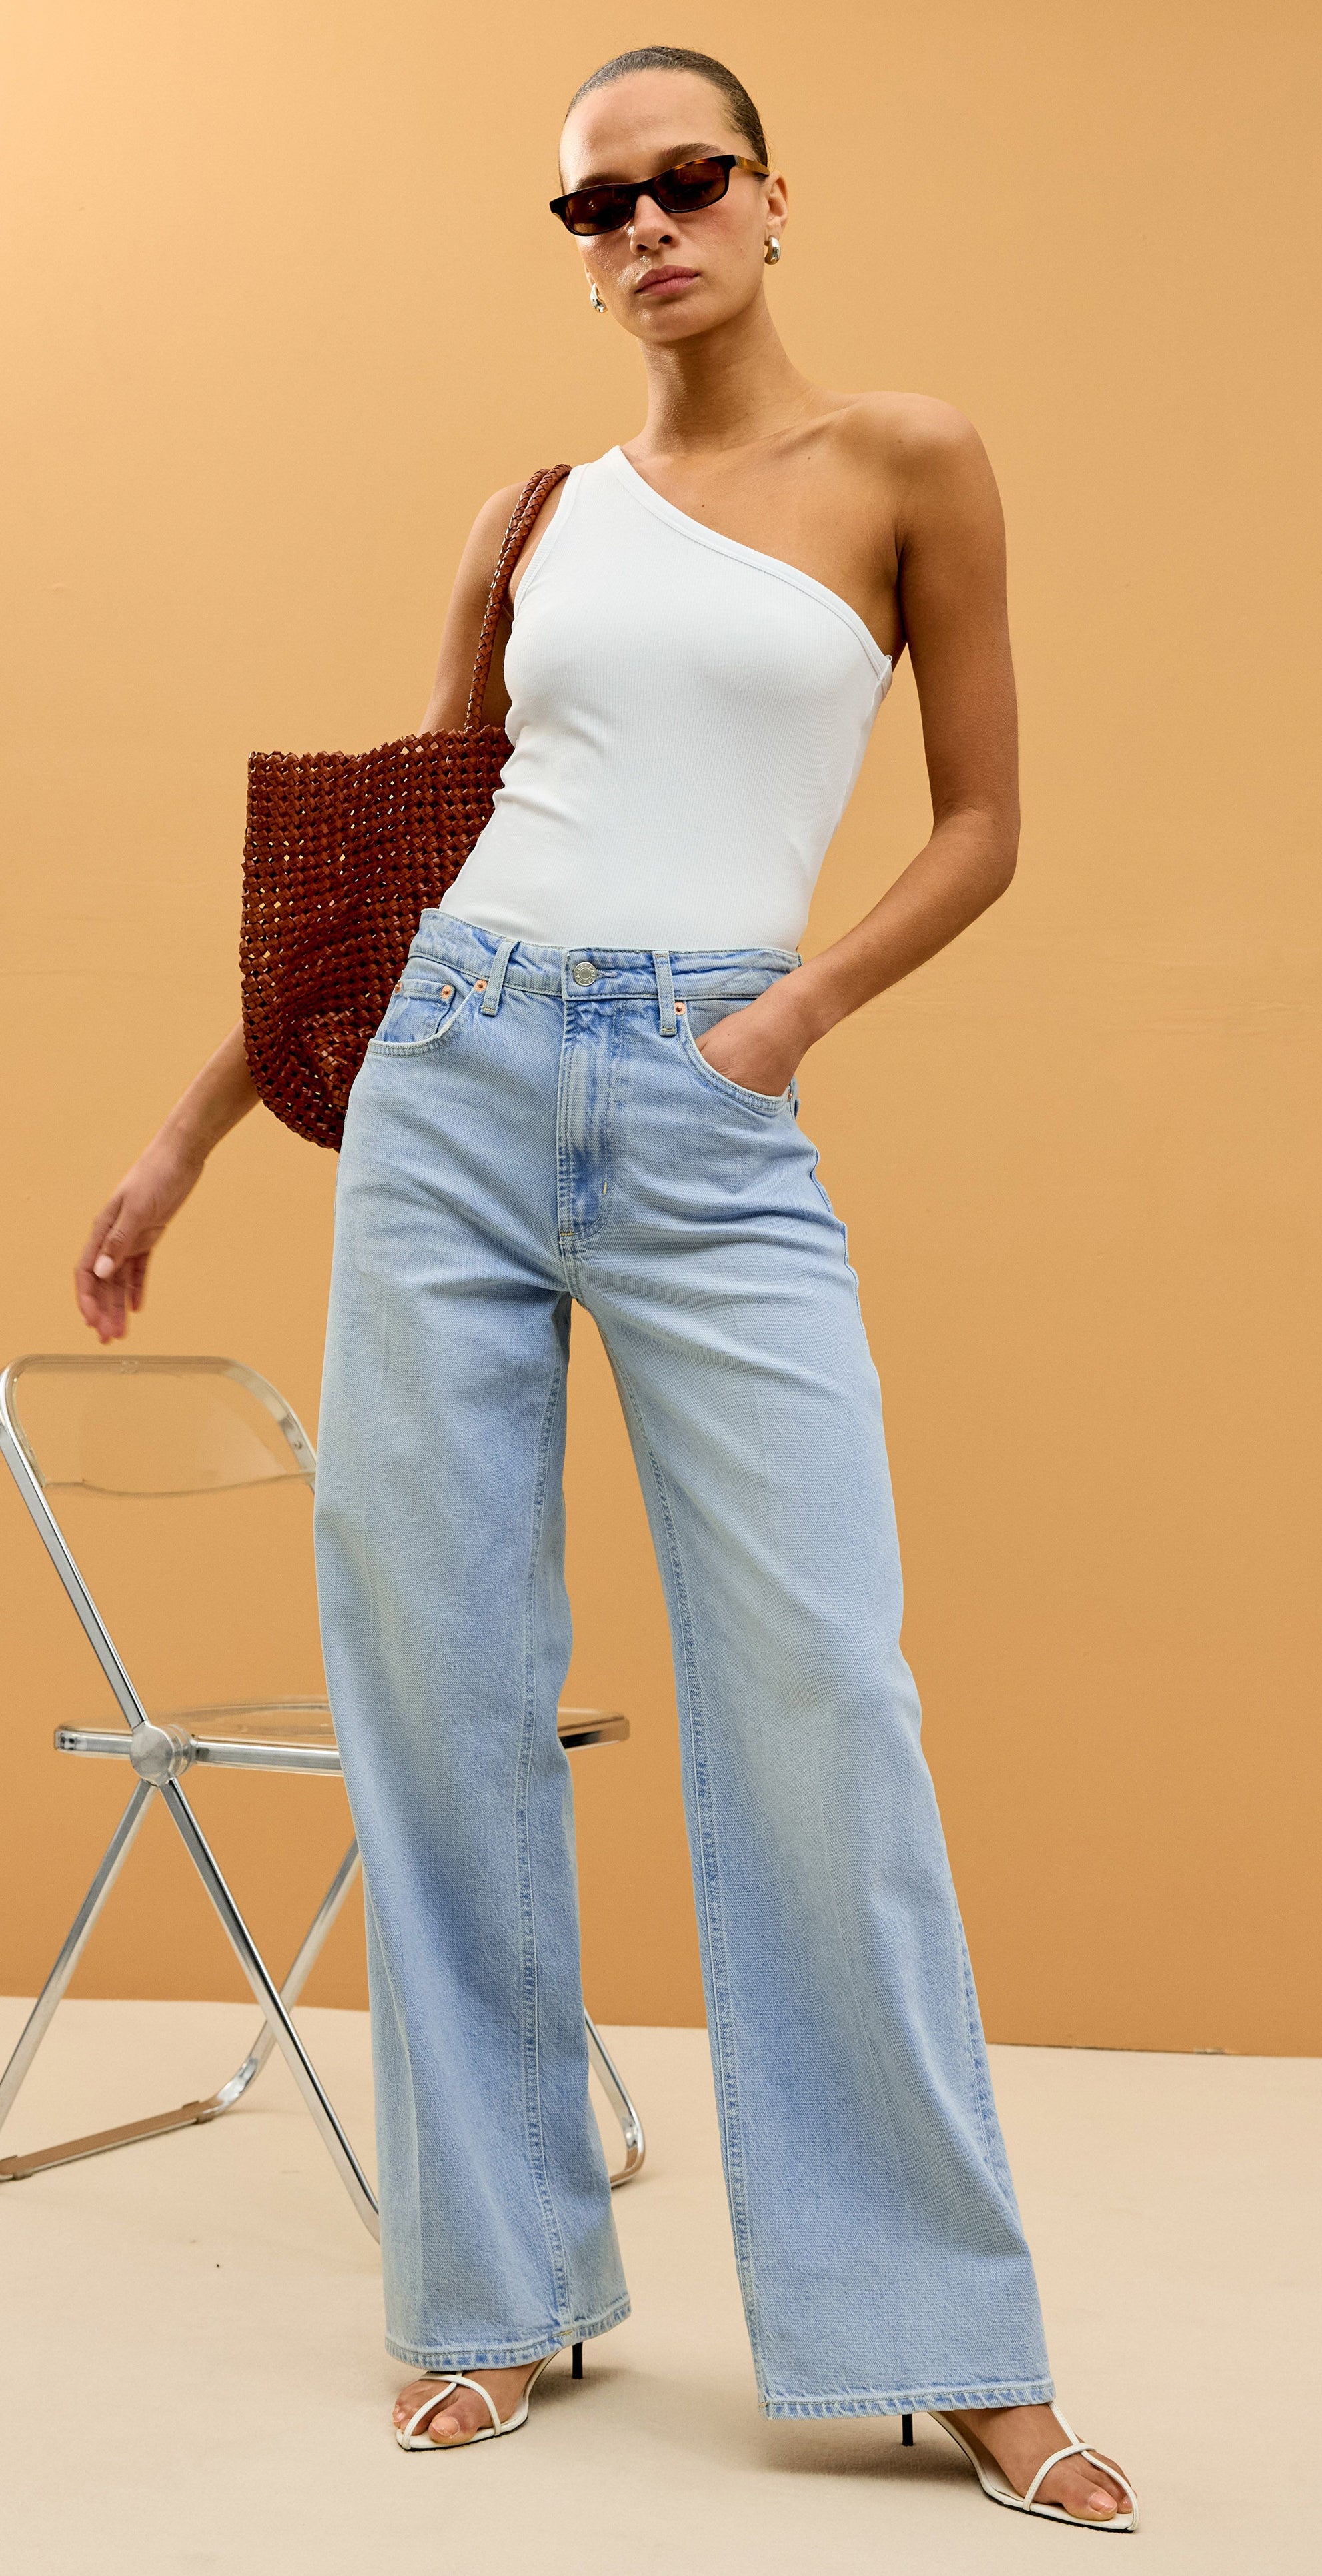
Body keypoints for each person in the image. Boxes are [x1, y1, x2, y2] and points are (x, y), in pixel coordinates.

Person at [75, 45, 1136, 2531]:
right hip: (448, 1074)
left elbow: (986, 820)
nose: (642, 226)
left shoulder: (908, 461)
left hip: (708, 1097)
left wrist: (785, 1020)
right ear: (571, 247)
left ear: (768, 197)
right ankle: (493, 2295)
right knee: (437, 1694)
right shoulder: (532, 517)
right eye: (593, 204)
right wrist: (185, 1133)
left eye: (683, 182)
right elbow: (400, 867)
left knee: (824, 1695)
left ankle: (940, 2336)